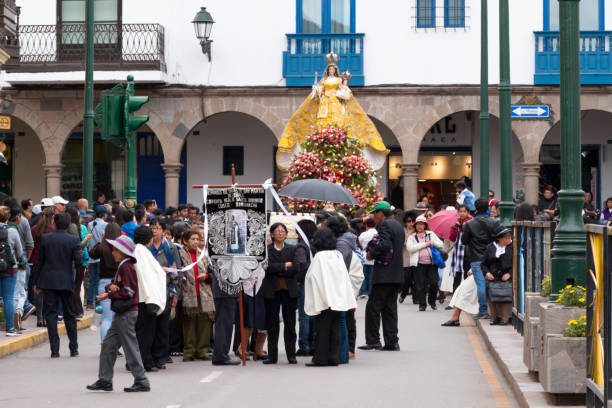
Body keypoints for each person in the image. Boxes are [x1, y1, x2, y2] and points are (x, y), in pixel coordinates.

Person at [87, 235, 150, 393]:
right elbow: (119, 285)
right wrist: (111, 289)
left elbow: (128, 292)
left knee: (130, 347)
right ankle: (105, 380)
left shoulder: (126, 267)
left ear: (122, 252)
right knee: (108, 345)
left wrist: (113, 292)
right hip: (122, 313)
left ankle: (141, 380)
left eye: (115, 249)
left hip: (126, 313)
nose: (113, 252)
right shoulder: (123, 266)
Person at [304, 227, 364, 367]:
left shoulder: (320, 257)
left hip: (324, 297)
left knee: (322, 329)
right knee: (334, 328)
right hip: (338, 297)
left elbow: (313, 276)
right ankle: (333, 357)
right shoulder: (337, 254)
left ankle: (320, 358)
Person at [359, 201, 404, 351]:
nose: (373, 216)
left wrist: (372, 253)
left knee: (373, 307)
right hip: (396, 273)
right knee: (390, 308)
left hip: (385, 274)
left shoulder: (385, 225)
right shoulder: (398, 225)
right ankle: (392, 342)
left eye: (374, 213)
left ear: (380, 213)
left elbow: (384, 244)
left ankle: (373, 341)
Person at [33, 213, 80, 355]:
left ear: (54, 223)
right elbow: (78, 262)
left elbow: (39, 262)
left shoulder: (46, 238)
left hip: (48, 280)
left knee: (51, 315)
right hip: (66, 279)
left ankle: (54, 350)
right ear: (68, 225)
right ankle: (73, 348)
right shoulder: (74, 239)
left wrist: (36, 281)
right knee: (69, 315)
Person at [261, 222, 298, 364]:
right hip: (272, 290)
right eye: (277, 231)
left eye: (283, 231)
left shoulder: (293, 249)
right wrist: (284, 266)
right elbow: (267, 267)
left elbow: (296, 267)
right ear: (272, 234)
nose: (280, 233)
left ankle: (291, 354)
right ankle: (272, 355)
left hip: (289, 291)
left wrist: (277, 269)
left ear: (286, 234)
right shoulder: (267, 250)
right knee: (272, 324)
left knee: (290, 324)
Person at [177, 229, 215, 362]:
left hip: (204, 293)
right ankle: (189, 351)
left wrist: (207, 276)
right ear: (185, 241)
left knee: (205, 322)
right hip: (188, 292)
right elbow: (176, 269)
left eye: (197, 239)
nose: (195, 242)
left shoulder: (203, 255)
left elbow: (213, 273)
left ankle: (203, 350)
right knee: (189, 323)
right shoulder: (180, 254)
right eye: (192, 239)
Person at [148, 218, 180, 368]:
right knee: (150, 325)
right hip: (149, 290)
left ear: (163, 231)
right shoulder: (145, 247)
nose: (154, 231)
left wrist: (175, 294)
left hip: (165, 290)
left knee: (163, 326)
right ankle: (150, 357)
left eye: (157, 228)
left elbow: (176, 271)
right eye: (152, 228)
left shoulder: (170, 248)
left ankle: (161, 357)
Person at [461, 198, 501, 319]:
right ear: (488, 208)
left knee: (481, 284)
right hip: (491, 257)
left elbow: (464, 241)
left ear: (475, 208)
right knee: (493, 282)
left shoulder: (470, 223)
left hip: (476, 257)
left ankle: (483, 310)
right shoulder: (494, 222)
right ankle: (495, 309)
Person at [89, 222, 121, 343]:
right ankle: (115, 345)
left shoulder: (103, 247)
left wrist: (101, 241)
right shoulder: (120, 248)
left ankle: (105, 344)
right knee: (117, 318)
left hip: (104, 283)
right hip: (118, 283)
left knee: (107, 318)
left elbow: (91, 253)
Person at [406, 215, 444, 312]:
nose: (419, 226)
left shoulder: (430, 234)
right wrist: (425, 244)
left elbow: (441, 244)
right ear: (415, 226)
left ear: (425, 225)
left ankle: (432, 301)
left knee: (434, 282)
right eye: (418, 224)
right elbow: (410, 248)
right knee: (420, 285)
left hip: (431, 264)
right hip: (418, 264)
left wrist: (432, 242)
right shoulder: (412, 237)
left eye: (422, 224)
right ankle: (422, 305)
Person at [295, 219, 317, 357]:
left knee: (304, 315)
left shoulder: (302, 246)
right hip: (316, 283)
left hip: (305, 283)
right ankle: (313, 343)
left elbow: (302, 264)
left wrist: (298, 279)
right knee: (314, 313)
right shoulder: (317, 245)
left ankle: (304, 345)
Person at [0, 206, 24, 336]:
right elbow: (20, 252)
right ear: (8, 217)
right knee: (8, 298)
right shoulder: (12, 231)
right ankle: (10, 328)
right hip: (9, 268)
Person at [483, 227, 514, 325]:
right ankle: (493, 316)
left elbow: (518, 264)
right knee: (489, 292)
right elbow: (484, 264)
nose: (509, 238)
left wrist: (510, 273)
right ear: (499, 238)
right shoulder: (490, 247)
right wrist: (487, 273)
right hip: (492, 276)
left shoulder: (512, 247)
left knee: (505, 294)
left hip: (506, 276)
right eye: (506, 237)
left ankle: (505, 317)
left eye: (509, 236)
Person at [86, 206, 109, 309]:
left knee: (92, 279)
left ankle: (89, 302)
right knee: (100, 280)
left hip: (92, 255)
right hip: (102, 255)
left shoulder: (90, 224)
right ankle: (98, 302)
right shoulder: (106, 225)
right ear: (104, 214)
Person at [448, 205, 472, 296]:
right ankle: (454, 299)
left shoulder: (471, 222)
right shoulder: (456, 224)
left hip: (468, 253)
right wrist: (455, 228)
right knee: (456, 277)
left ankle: (466, 298)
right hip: (458, 252)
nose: (462, 213)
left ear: (468, 213)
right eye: (460, 211)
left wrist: (463, 227)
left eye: (464, 211)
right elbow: (452, 238)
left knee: (467, 276)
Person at [399, 211, 417, 304]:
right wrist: (407, 236)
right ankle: (403, 294)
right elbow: (400, 245)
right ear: (405, 222)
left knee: (416, 279)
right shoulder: (402, 231)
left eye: (413, 221)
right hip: (405, 259)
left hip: (417, 259)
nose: (411, 223)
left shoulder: (418, 231)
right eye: (409, 221)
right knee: (407, 279)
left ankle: (416, 298)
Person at [358, 217, 377, 298]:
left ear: (366, 225)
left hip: (364, 257)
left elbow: (359, 244)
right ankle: (370, 292)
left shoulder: (363, 234)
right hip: (374, 258)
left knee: (364, 276)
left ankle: (363, 291)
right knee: (371, 277)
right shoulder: (377, 234)